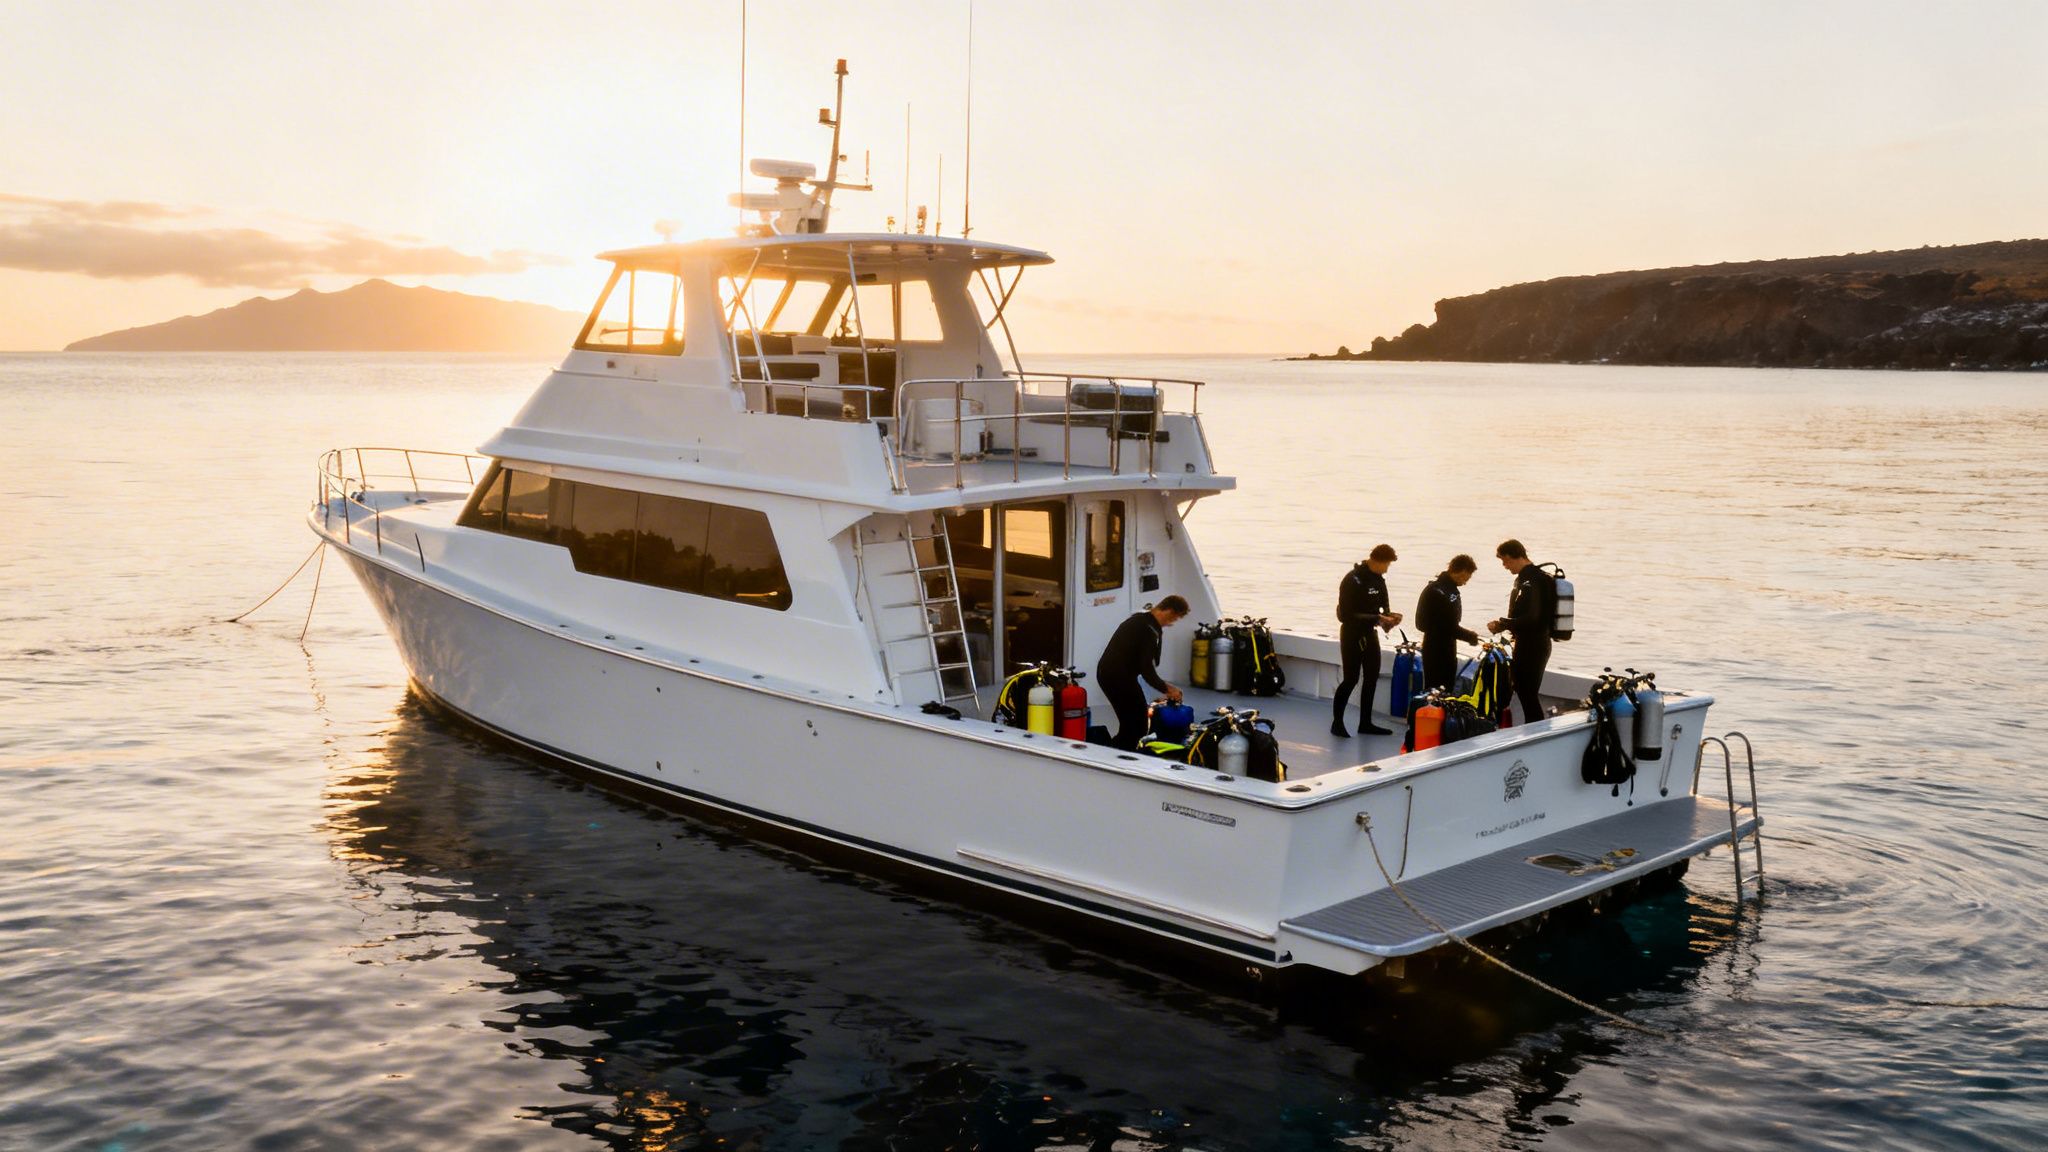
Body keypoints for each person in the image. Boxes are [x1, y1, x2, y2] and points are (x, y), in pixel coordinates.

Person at [1097, 594, 1188, 751]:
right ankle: (1118, 756)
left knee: (1131, 722)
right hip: (1117, 678)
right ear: (1169, 612)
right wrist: (1168, 689)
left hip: (1112, 674)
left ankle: (1114, 751)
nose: (1171, 623)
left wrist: (1163, 688)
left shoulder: (1140, 620)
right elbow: (1147, 670)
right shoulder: (1148, 630)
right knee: (1137, 725)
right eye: (1174, 619)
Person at [1331, 545, 1402, 737]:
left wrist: (1391, 617)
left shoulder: (1379, 580)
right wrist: (1377, 619)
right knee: (1351, 679)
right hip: (1352, 634)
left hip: (1369, 633)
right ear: (1377, 561)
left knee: (1371, 677)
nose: (1387, 569)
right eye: (1386, 564)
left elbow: (1383, 610)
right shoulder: (1352, 579)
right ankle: (1337, 722)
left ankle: (1365, 723)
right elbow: (1345, 615)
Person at [1486, 539, 1557, 726]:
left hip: (1534, 645)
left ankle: (1536, 733)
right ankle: (1532, 730)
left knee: (1528, 693)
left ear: (1513, 556)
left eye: (1504, 561)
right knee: (1524, 691)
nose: (1504, 566)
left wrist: (1503, 623)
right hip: (1528, 643)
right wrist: (1506, 625)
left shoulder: (1534, 580)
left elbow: (1534, 619)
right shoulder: (1528, 578)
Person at [1415, 554, 1480, 692]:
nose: (1465, 582)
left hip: (1449, 647)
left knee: (1447, 689)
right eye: (1466, 577)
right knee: (1434, 690)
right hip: (1434, 649)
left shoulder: (1452, 590)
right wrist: (1469, 636)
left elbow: (1450, 625)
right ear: (1461, 571)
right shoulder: (1435, 591)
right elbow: (1434, 625)